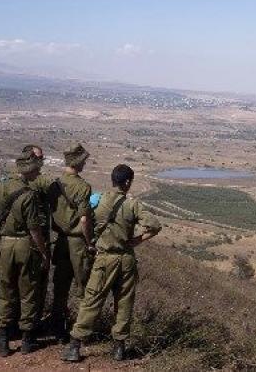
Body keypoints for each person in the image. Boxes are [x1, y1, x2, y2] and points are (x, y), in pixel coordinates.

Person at [62, 164, 161, 362]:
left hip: (104, 258)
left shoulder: (98, 200)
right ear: (126, 182)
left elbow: (83, 221)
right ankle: (119, 348)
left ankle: (75, 345)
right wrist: (137, 240)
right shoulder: (132, 204)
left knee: (92, 300)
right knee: (124, 303)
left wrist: (91, 242)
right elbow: (155, 225)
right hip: (125, 259)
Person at [0, 151, 50, 356]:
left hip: (5, 246)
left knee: (5, 292)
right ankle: (27, 341)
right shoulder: (28, 194)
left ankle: (3, 342)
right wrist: (44, 252)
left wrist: (0, 234)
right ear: (28, 170)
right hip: (25, 246)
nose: (38, 171)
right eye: (37, 168)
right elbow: (34, 230)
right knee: (28, 293)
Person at [49, 143, 93, 342]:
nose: (85, 164)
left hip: (60, 241)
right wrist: (90, 241)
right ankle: (80, 332)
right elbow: (84, 219)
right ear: (79, 163)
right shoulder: (83, 186)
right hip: (77, 243)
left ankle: (57, 327)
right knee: (83, 287)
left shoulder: (55, 184)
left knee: (60, 286)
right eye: (83, 161)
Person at [21, 144, 53, 326]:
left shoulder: (12, 180)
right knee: (37, 284)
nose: (42, 162)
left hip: (17, 239)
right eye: (39, 158)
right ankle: (31, 326)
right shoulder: (42, 182)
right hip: (37, 237)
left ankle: (15, 325)